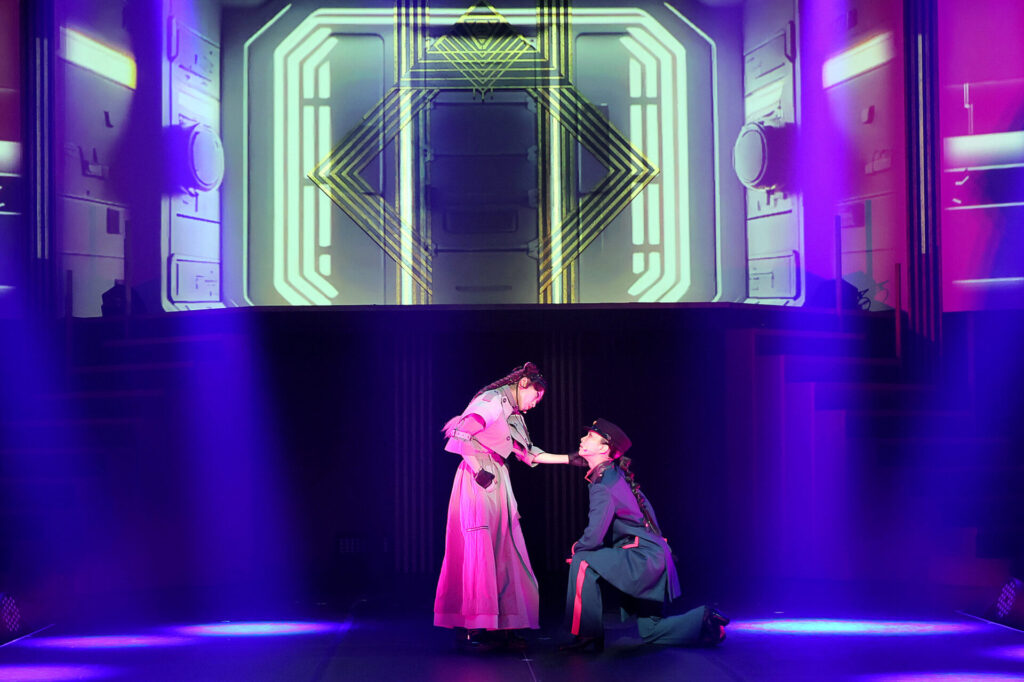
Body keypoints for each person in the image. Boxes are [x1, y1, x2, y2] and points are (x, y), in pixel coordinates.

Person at [433, 362, 577, 649]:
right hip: (480, 479)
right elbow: (459, 432)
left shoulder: (511, 412)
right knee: (481, 549)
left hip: (496, 477)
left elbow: (529, 454)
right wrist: (479, 470)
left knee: (503, 551)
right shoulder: (491, 401)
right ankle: (477, 625)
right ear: (523, 384)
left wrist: (569, 459)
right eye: (536, 396)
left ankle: (500, 625)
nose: (535, 404)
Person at [562, 418, 729, 652]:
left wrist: (576, 549)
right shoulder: (616, 475)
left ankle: (586, 633)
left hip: (643, 558)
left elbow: (594, 536)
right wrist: (535, 456)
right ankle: (703, 619)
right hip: (656, 557)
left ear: (604, 448)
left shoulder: (604, 485)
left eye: (589, 436)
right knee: (651, 630)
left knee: (582, 560)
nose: (582, 438)